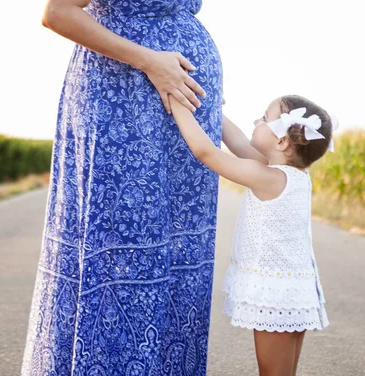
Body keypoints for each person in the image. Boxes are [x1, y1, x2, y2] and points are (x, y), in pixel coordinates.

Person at [21, 0, 222, 375]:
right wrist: (150, 61)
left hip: (177, 112)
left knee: (177, 253)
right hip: (123, 106)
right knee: (122, 252)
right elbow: (58, 12)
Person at [169, 94, 333, 376]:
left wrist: (177, 104)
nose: (256, 121)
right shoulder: (284, 173)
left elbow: (206, 153)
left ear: (282, 142)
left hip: (278, 298)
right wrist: (210, 110)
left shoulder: (269, 178)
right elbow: (240, 142)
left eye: (264, 118)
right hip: (292, 292)